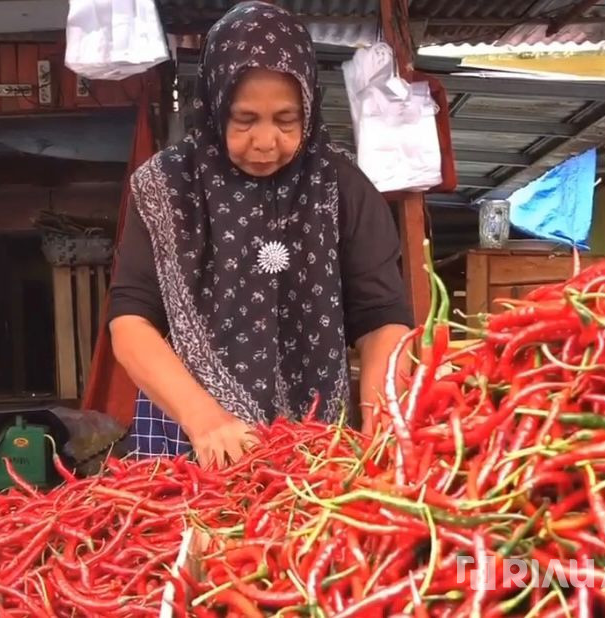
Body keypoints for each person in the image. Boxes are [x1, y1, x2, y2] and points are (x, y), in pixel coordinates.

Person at [107, 1, 414, 467]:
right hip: (187, 429)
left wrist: (382, 415)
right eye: (245, 120)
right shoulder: (168, 187)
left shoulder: (340, 183)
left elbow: (382, 316)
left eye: (286, 120)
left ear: (309, 105)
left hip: (312, 435)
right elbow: (130, 322)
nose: (266, 141)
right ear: (214, 105)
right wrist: (204, 418)